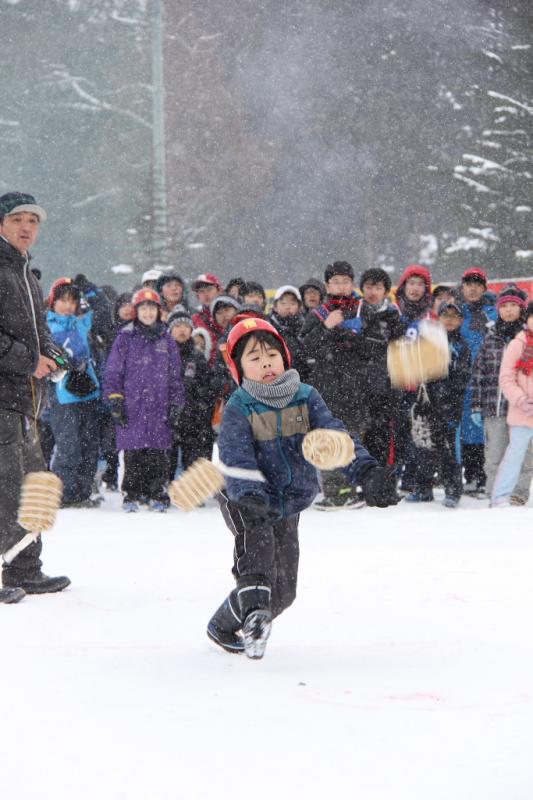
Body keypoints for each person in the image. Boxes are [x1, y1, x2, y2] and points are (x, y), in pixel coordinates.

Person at [206, 317, 398, 658]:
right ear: (239, 367)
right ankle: (254, 618)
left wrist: (367, 472)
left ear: (284, 357)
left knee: (283, 590)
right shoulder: (239, 406)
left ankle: (224, 623)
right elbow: (236, 456)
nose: (266, 363)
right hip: (245, 496)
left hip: (287, 499)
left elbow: (333, 436)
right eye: (254, 357)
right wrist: (249, 496)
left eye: (272, 355)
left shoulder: (306, 397)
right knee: (259, 557)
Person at [0, 191, 70, 602]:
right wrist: (30, 361)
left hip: (27, 400)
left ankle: (25, 567)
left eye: (33, 221)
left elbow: (40, 334)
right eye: (17, 219)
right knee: (6, 484)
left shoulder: (27, 273)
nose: (26, 227)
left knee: (32, 484)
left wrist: (56, 357)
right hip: (3, 397)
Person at [104, 288, 184, 512]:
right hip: (133, 406)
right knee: (133, 452)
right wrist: (115, 399)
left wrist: (176, 402)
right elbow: (113, 372)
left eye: (152, 308)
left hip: (159, 406)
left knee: (158, 453)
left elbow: (175, 375)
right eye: (143, 308)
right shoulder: (125, 338)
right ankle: (131, 493)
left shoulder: (166, 339)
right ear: (136, 311)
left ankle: (157, 492)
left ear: (158, 311)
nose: (148, 313)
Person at [299, 260, 363, 509]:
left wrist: (351, 338)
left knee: (351, 438)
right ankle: (334, 491)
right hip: (326, 388)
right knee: (327, 438)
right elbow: (305, 349)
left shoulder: (362, 310)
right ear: (327, 285)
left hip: (355, 388)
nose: (341, 286)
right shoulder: (318, 314)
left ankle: (351, 489)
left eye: (345, 281)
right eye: (336, 281)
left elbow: (373, 347)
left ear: (352, 283)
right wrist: (326, 328)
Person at [471, 284, 533, 504]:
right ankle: (495, 493)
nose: (508, 310)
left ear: (522, 309)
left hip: (521, 408)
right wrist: (476, 404)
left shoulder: (526, 339)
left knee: (525, 455)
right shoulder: (491, 337)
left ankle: (518, 493)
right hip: (494, 406)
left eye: (513, 306)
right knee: (495, 455)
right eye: (504, 306)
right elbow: (478, 372)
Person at [405, 302, 471, 507]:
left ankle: (453, 490)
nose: (449, 320)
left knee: (448, 450)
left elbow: (461, 377)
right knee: (424, 447)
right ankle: (423, 489)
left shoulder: (461, 346)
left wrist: (445, 390)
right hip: (426, 403)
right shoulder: (428, 342)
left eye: (454, 316)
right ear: (438, 318)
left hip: (450, 407)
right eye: (445, 315)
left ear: (460, 320)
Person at [45, 278, 102, 508]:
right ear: (53, 302)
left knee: (89, 446)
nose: (68, 306)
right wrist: (65, 361)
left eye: (73, 301)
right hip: (62, 396)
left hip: (89, 392)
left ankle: (83, 493)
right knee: (69, 446)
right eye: (63, 301)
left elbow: (104, 311)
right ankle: (64, 494)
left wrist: (91, 290)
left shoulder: (81, 323)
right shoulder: (46, 325)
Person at [348, 267, 405, 468]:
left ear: (386, 291)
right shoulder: (353, 313)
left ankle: (381, 477)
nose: (373, 292)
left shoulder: (393, 316)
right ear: (362, 288)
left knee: (382, 439)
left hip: (384, 390)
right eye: (369, 287)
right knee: (357, 440)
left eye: (378, 288)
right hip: (357, 388)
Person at [459, 267, 497, 495]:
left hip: (487, 380)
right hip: (462, 380)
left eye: (477, 285)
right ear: (462, 288)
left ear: (484, 288)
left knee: (486, 428)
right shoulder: (457, 312)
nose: (472, 289)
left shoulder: (492, 313)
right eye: (468, 285)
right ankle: (471, 475)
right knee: (466, 429)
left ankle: (486, 476)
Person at [491, 302, 533, 507]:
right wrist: (521, 400)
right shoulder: (519, 343)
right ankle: (500, 496)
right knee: (515, 455)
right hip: (522, 412)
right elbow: (506, 378)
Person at [167, 306, 215, 477]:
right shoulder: (162, 355)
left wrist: (200, 407)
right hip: (168, 418)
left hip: (193, 419)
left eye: (186, 326)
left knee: (193, 463)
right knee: (166, 462)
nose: (182, 330)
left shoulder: (197, 356)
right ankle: (165, 486)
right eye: (178, 326)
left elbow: (207, 386)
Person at [269, 285, 310, 381]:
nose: (288, 307)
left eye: (292, 303)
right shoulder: (268, 328)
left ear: (299, 307)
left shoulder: (306, 328)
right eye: (283, 303)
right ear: (275, 306)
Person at [191, 273, 224, 366]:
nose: (206, 294)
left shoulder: (230, 314)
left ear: (219, 291)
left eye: (209, 289)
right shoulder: (194, 320)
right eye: (201, 291)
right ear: (197, 296)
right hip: (205, 370)